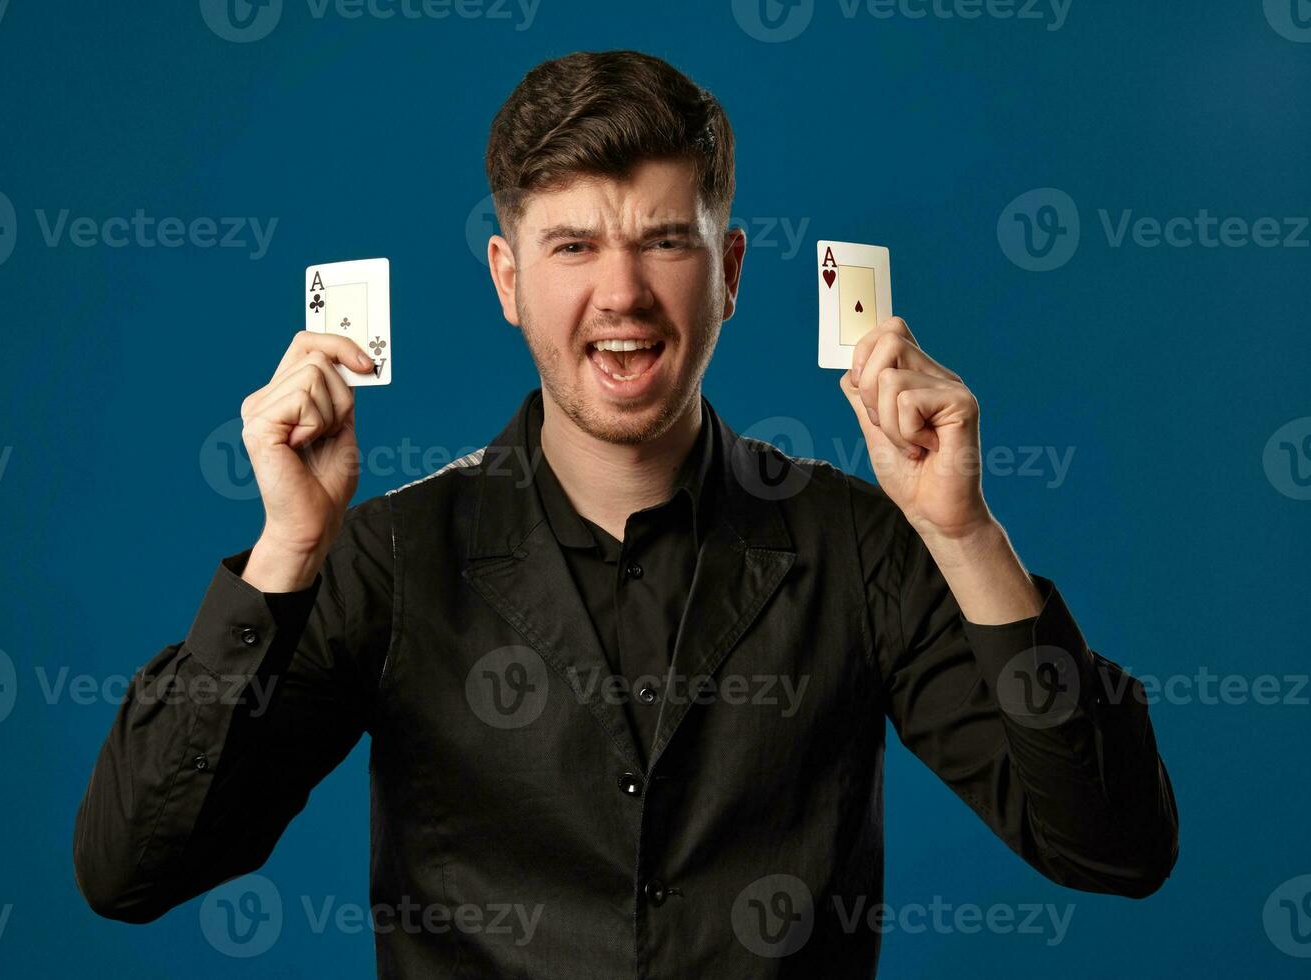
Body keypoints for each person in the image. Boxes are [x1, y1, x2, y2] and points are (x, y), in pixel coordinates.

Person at [73, 49, 1178, 978]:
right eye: (573, 246)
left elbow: (1117, 845)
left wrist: (967, 536)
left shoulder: (859, 543)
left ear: (730, 271)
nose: (623, 293)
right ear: (508, 280)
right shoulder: (390, 556)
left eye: (664, 240)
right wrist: (285, 552)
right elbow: (130, 868)